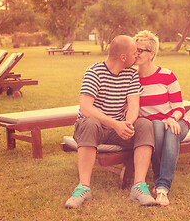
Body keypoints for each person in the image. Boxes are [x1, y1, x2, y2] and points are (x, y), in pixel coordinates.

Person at [65, 35, 156, 209]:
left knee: (145, 124)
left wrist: (127, 124)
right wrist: (115, 124)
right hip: (94, 129)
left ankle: (139, 186)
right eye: (134, 53)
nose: (136, 56)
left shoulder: (131, 73)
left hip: (118, 130)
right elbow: (85, 108)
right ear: (123, 57)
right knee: (90, 122)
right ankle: (83, 187)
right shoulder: (94, 71)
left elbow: (134, 104)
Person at [133, 30, 190, 206]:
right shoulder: (131, 78)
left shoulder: (167, 75)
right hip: (151, 127)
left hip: (175, 120)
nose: (136, 54)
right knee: (157, 125)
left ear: (152, 54)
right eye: (134, 50)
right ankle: (160, 184)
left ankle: (162, 187)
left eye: (140, 50)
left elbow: (179, 106)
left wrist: (173, 118)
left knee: (169, 129)